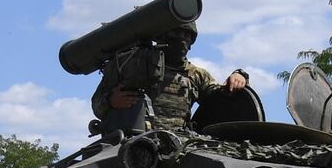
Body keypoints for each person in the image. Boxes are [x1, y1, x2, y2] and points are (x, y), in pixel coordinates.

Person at [92, 22, 249, 132]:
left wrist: (239, 76)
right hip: (134, 144)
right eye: (175, 32)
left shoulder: (196, 75)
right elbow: (97, 105)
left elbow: (221, 100)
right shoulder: (133, 65)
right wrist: (111, 101)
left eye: (186, 35)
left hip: (177, 146)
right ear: (162, 36)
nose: (181, 39)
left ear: (192, 41)